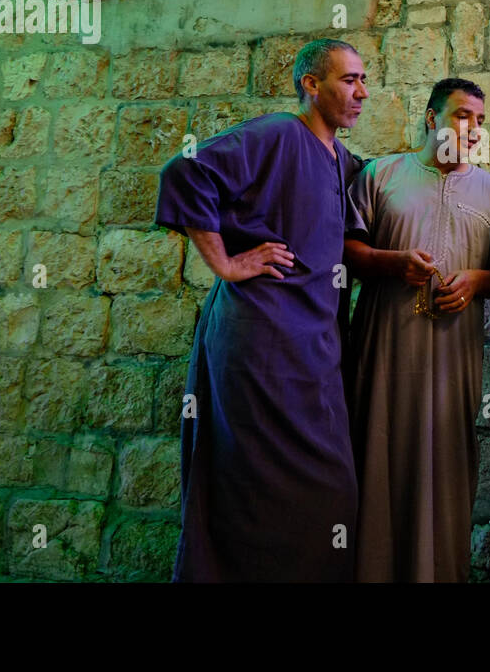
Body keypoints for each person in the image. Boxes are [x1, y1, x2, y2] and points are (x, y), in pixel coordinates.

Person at [155, 37, 369, 581]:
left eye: (364, 80)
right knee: (247, 484)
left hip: (315, 348)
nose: (361, 92)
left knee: (330, 489)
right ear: (311, 84)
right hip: (258, 341)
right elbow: (185, 172)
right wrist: (226, 264)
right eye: (348, 80)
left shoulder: (343, 161)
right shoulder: (278, 134)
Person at [343, 77, 490, 582]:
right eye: (462, 115)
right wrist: (391, 262)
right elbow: (348, 251)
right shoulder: (381, 176)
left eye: (481, 122)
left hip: (454, 356)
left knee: (444, 466)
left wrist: (474, 281)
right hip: (384, 349)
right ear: (431, 118)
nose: (472, 130)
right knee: (378, 457)